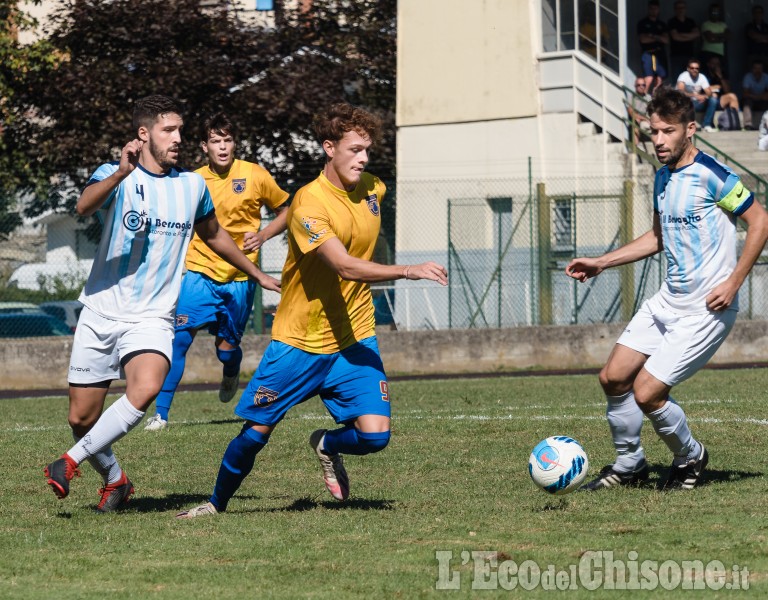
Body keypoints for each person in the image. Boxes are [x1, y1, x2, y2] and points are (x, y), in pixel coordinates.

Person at [176, 103, 448, 518]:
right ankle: (215, 504)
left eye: (367, 150)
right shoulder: (308, 204)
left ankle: (326, 444)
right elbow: (344, 265)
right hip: (300, 341)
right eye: (355, 149)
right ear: (329, 148)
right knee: (256, 433)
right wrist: (409, 270)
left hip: (354, 338)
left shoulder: (374, 189)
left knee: (376, 437)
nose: (364, 158)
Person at [42, 95, 281, 511]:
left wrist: (257, 273)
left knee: (147, 386)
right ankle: (116, 480)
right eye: (169, 130)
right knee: (81, 419)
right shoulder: (115, 175)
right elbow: (82, 207)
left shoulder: (192, 186)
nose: (178, 139)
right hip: (101, 310)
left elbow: (214, 235)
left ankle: (70, 461)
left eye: (180, 131)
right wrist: (119, 174)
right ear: (143, 134)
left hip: (153, 316)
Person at [565, 86, 768, 492]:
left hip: (706, 310)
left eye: (667, 131)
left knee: (647, 391)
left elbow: (760, 222)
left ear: (689, 129)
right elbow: (658, 237)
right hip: (667, 301)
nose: (658, 140)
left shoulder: (713, 174)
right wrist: (602, 262)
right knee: (613, 378)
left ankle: (691, 457)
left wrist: (733, 282)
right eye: (652, 131)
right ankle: (630, 466)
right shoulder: (662, 176)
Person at [144, 114, 290, 431]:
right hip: (199, 274)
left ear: (234, 143)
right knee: (178, 340)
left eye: (227, 140)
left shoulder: (255, 175)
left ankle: (230, 370)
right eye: (215, 141)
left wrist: (264, 235)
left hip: (240, 279)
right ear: (204, 146)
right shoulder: (192, 180)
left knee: (226, 351)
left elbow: (287, 210)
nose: (222, 147)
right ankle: (162, 414)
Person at [676, 58, 718, 132]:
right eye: (692, 68)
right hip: (685, 104)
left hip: (697, 103)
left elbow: (709, 93)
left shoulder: (702, 77)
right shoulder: (683, 76)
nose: (694, 70)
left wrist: (704, 96)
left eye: (697, 68)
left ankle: (706, 125)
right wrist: (695, 96)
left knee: (713, 100)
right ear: (688, 69)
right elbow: (680, 92)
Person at [637, 0, 669, 94]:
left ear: (658, 10)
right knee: (649, 78)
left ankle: (655, 100)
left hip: (660, 53)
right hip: (648, 53)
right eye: (651, 8)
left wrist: (652, 36)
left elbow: (666, 40)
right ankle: (641, 100)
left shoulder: (662, 24)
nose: (653, 10)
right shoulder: (642, 23)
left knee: (659, 79)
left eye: (655, 9)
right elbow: (643, 39)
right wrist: (659, 38)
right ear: (648, 9)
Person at [704, 55, 741, 130]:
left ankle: (735, 124)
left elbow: (727, 90)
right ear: (708, 64)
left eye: (717, 64)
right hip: (706, 100)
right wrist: (712, 89)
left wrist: (720, 76)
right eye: (713, 63)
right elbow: (703, 90)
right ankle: (707, 124)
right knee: (713, 99)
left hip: (719, 100)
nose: (715, 66)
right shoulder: (704, 74)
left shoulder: (722, 74)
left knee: (732, 96)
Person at [667, 1, 700, 82]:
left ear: (686, 9)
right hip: (676, 56)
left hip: (689, 55)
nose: (681, 10)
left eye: (682, 7)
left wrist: (681, 35)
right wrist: (689, 36)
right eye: (678, 8)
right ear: (675, 10)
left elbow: (697, 34)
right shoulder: (672, 22)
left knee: (690, 79)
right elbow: (675, 37)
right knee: (677, 79)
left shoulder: (690, 21)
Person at [700, 3, 729, 76]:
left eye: (717, 12)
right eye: (713, 11)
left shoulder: (723, 24)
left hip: (720, 54)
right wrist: (722, 37)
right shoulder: (706, 24)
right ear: (710, 13)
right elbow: (710, 38)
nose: (715, 13)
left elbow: (728, 36)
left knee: (720, 74)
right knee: (708, 75)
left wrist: (715, 36)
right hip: (708, 53)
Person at [742, 59, 768, 130]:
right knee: (747, 102)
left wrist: (761, 96)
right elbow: (745, 93)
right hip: (752, 99)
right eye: (755, 68)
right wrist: (758, 96)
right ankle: (748, 124)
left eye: (759, 68)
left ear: (762, 69)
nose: (757, 70)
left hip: (762, 100)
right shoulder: (748, 77)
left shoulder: (766, 77)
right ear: (752, 69)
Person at [628, 77, 652, 144]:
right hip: (637, 120)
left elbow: (652, 111)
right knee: (635, 124)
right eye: (639, 85)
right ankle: (636, 151)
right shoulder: (631, 97)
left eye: (643, 85)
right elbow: (631, 112)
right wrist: (643, 118)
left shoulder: (648, 97)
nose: (641, 87)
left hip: (646, 119)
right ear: (635, 86)